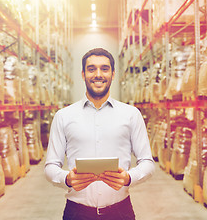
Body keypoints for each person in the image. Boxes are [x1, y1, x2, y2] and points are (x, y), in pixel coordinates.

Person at [44, 47, 155, 220]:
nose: (98, 74)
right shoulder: (64, 116)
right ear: (83, 74)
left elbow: (147, 162)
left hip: (120, 212)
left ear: (113, 74)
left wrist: (128, 178)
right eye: (91, 69)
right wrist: (67, 178)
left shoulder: (131, 114)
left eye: (104, 69)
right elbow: (50, 166)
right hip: (77, 212)